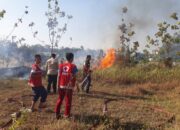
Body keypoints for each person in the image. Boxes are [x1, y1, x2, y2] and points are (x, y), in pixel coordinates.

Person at [55, 52, 78, 119]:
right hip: (69, 86)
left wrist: (57, 85)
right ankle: (66, 115)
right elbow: (75, 76)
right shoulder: (73, 66)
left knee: (60, 99)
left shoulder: (61, 65)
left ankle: (57, 114)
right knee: (68, 101)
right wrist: (75, 84)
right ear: (72, 58)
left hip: (61, 85)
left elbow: (58, 76)